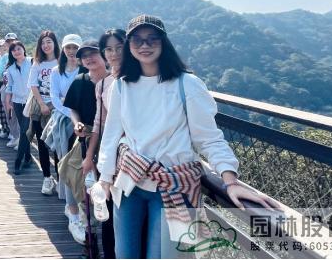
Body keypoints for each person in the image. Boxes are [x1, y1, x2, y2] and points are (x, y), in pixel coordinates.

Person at [97, 15, 278, 258]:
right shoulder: (121, 86)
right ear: (129, 45)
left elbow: (208, 138)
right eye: (137, 40)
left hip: (173, 186)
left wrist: (231, 181)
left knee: (163, 256)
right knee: (125, 254)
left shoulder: (187, 84)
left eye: (152, 39)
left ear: (164, 42)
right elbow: (111, 135)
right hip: (130, 181)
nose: (145, 45)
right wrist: (104, 178)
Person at [63, 38, 109, 256]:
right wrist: (77, 123)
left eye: (93, 54)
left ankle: (103, 237)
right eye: (84, 56)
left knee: (103, 188)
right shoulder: (80, 81)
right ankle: (86, 232)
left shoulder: (115, 81)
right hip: (85, 137)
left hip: (109, 140)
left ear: (103, 56)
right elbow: (72, 108)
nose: (89, 58)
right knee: (77, 178)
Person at [82, 29, 125, 258]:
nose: (114, 53)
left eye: (119, 47)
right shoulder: (103, 84)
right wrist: (89, 157)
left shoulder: (143, 80)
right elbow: (99, 124)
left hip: (141, 163)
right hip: (111, 160)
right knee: (109, 215)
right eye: (109, 49)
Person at [48, 34, 87, 245]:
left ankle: (78, 207)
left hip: (84, 123)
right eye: (68, 48)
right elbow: (55, 97)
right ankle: (73, 212)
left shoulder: (85, 70)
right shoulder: (57, 71)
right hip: (65, 122)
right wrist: (71, 114)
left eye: (75, 48)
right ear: (63, 50)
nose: (71, 51)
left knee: (82, 165)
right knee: (68, 164)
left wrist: (74, 111)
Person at [28, 30, 60, 196]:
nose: (46, 45)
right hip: (40, 108)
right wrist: (42, 104)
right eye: (43, 43)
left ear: (55, 43)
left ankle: (61, 179)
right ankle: (47, 177)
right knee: (42, 144)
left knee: (58, 144)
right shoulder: (37, 63)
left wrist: (55, 105)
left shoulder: (61, 61)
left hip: (58, 109)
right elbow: (33, 85)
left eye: (49, 42)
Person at [4, 41, 32, 176]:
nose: (16, 52)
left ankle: (18, 161)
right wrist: (8, 100)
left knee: (25, 131)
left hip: (31, 101)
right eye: (13, 50)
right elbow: (9, 86)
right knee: (24, 130)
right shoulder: (10, 68)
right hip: (17, 102)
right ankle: (28, 157)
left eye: (19, 49)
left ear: (23, 49)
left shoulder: (32, 62)